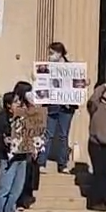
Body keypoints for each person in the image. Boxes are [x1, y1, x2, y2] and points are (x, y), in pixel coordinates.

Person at [0, 82, 35, 212]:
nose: (19, 104)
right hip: (7, 158)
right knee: (5, 187)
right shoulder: (2, 118)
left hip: (22, 156)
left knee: (17, 188)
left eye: (19, 101)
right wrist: (7, 142)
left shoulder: (23, 117)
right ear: (8, 105)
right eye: (16, 102)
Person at [38, 42, 78, 173]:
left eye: (51, 53)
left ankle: (62, 164)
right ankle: (41, 162)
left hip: (66, 107)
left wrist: (83, 83)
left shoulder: (71, 68)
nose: (50, 56)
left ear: (59, 53)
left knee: (63, 135)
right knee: (48, 134)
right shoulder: (47, 68)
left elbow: (77, 83)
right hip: (53, 106)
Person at [86, 83, 106, 212]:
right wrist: (102, 86)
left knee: (105, 174)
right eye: (105, 91)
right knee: (98, 173)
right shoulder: (95, 106)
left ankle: (104, 200)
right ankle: (95, 201)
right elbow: (92, 100)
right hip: (96, 144)